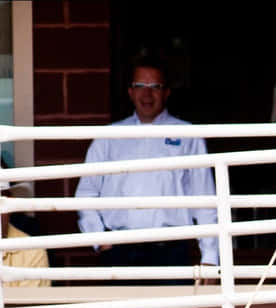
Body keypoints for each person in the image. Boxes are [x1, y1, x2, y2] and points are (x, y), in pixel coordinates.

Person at [75, 51, 219, 282]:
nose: (147, 93)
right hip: (119, 251)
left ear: (167, 92)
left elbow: (204, 200)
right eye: (140, 85)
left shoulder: (188, 134)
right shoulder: (108, 137)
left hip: (171, 251)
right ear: (130, 92)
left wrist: (210, 256)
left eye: (155, 86)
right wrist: (99, 239)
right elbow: (87, 192)